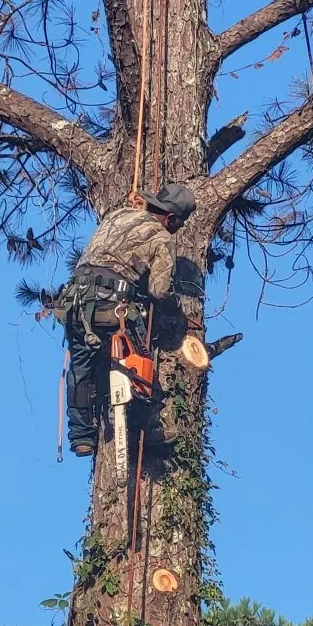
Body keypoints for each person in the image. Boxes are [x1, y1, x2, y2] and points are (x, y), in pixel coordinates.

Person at [56, 183, 197, 457]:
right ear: (171, 219)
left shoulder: (118, 215)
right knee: (134, 363)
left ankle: (82, 436)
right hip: (112, 307)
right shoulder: (161, 237)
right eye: (178, 224)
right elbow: (159, 290)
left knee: (82, 365)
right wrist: (177, 315)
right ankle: (139, 429)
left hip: (75, 302)